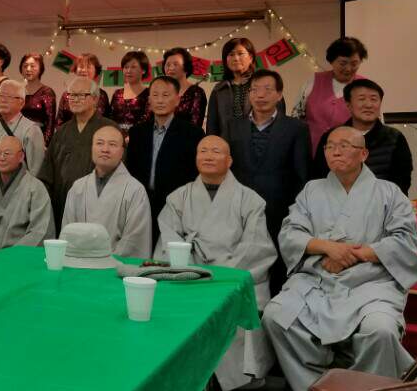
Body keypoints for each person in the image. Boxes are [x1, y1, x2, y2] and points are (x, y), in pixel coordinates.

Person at [262, 126, 417, 391]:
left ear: (363, 154)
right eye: (329, 146)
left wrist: (356, 254)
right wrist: (328, 248)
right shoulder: (312, 190)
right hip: (317, 278)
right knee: (276, 317)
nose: (335, 151)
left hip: (371, 281)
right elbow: (290, 233)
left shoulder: (389, 192)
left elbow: (405, 241)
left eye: (344, 145)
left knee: (380, 329)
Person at [155, 136, 277, 391]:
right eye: (203, 150)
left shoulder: (250, 200)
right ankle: (186, 382)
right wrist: (192, 272)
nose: (208, 155)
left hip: (233, 274)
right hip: (189, 273)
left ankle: (238, 384)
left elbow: (256, 246)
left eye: (216, 151)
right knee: (170, 303)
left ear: (229, 160)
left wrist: (222, 275)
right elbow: (169, 238)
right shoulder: (178, 197)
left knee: (240, 306)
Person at [222, 69, 310, 294]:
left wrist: (295, 211)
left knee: (278, 266)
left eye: (267, 89)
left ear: (279, 94)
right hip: (239, 209)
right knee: (240, 262)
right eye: (254, 90)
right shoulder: (233, 125)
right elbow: (226, 168)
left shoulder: (296, 128)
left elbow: (301, 174)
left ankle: (273, 308)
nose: (260, 95)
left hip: (279, 210)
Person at [125, 76, 204, 244]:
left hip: (176, 207)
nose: (160, 100)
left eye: (166, 95)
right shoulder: (137, 132)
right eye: (155, 95)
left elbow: (194, 175)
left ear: (177, 100)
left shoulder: (192, 133)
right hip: (141, 205)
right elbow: (130, 170)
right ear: (149, 100)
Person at [38, 76, 118, 231]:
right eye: (71, 95)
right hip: (61, 207)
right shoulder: (62, 132)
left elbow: (117, 175)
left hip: (97, 209)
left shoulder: (109, 129)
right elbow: (47, 173)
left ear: (95, 99)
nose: (74, 99)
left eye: (81, 95)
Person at [61, 125, 151, 258]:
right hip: (78, 262)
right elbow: (68, 232)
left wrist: (106, 262)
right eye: (99, 143)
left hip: (116, 266)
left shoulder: (135, 190)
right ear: (92, 148)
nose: (105, 149)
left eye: (112, 144)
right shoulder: (78, 187)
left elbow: (134, 241)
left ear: (122, 152)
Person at [312, 79, 413, 195]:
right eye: (361, 99)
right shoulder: (331, 136)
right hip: (336, 202)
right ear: (348, 105)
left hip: (381, 203)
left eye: (374, 99)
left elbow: (402, 180)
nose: (368, 105)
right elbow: (319, 176)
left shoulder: (395, 138)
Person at [292, 36, 368, 152]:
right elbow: (296, 116)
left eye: (354, 63)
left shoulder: (365, 87)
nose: (348, 68)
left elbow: (372, 123)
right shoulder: (313, 81)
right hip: (311, 151)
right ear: (331, 61)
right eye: (343, 63)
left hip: (348, 155)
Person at [206, 38, 284, 136]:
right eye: (231, 54)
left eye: (240, 53)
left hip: (261, 141)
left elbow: (280, 118)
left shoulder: (265, 83)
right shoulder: (219, 89)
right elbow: (212, 127)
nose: (236, 58)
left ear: (251, 57)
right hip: (225, 143)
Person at [55, 53, 110, 128]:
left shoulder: (102, 95)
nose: (84, 70)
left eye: (88, 67)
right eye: (81, 67)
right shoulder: (66, 94)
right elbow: (59, 121)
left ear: (96, 71)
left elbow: (107, 122)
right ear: (75, 70)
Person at [162, 47, 207, 128]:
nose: (170, 68)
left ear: (186, 67)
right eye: (168, 65)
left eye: (175, 64)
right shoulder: (160, 92)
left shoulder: (196, 92)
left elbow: (195, 126)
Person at [20, 52, 57, 145]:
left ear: (40, 69)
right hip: (17, 138)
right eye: (25, 66)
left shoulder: (47, 92)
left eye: (32, 66)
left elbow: (50, 124)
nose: (28, 69)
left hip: (38, 140)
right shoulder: (17, 90)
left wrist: (45, 145)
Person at [110, 50, 151, 133]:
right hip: (116, 138)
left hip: (140, 138)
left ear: (143, 70)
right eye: (126, 67)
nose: (128, 71)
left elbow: (148, 120)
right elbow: (110, 118)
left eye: (133, 67)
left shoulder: (150, 93)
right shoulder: (117, 93)